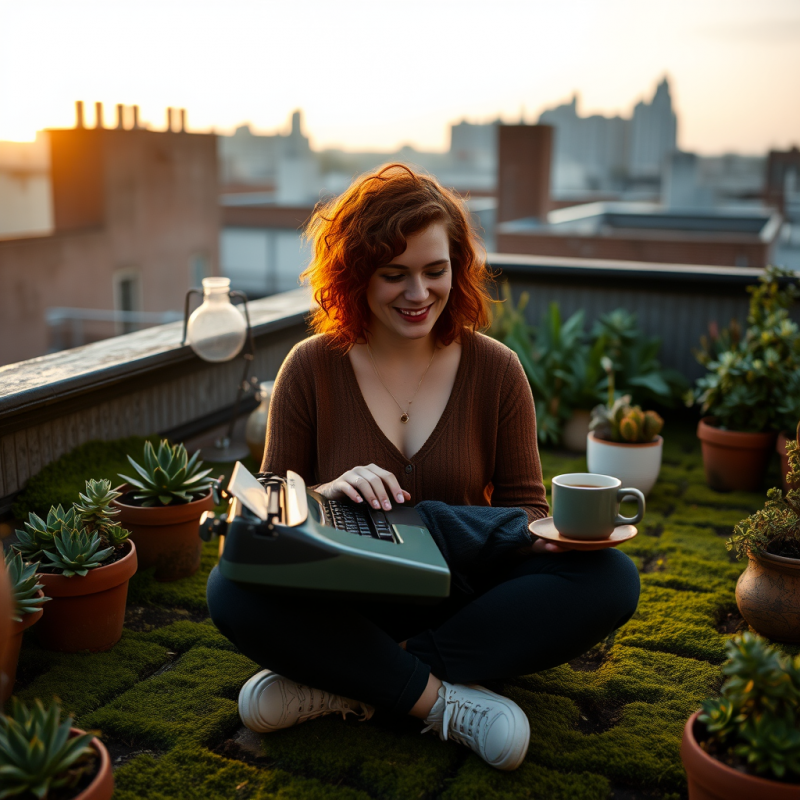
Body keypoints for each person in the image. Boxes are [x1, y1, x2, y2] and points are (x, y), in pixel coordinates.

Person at [206, 163, 640, 772]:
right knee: (231, 586)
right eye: (395, 275)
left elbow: (527, 513)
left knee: (612, 578)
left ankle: (347, 685)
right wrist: (327, 492)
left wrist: (451, 528)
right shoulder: (309, 367)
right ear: (356, 276)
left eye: (436, 271)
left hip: (459, 599)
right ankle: (446, 704)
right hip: (347, 595)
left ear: (456, 269)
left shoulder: (496, 370)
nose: (419, 294)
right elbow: (274, 503)